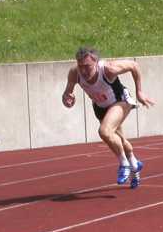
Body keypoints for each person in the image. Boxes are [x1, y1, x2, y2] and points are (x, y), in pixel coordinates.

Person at [62, 47, 154, 188]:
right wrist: (67, 99)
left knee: (104, 131)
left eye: (87, 67)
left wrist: (139, 92)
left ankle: (124, 164)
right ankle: (135, 164)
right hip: (100, 107)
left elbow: (134, 66)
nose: (84, 71)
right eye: (81, 67)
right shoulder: (75, 73)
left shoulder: (108, 69)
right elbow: (67, 93)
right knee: (118, 140)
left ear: (96, 62)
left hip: (120, 101)